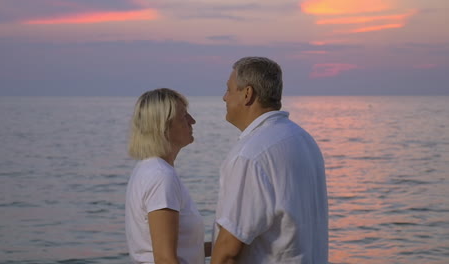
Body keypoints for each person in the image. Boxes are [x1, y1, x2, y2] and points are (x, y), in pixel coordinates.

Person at [211, 57, 329, 264]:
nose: (224, 98)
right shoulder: (302, 139)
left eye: (229, 90)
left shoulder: (250, 155)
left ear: (247, 94)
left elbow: (228, 251)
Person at [125, 88, 208, 264]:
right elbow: (165, 259)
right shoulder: (160, 176)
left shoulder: (149, 169)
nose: (192, 121)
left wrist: (232, 245)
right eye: (183, 116)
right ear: (163, 126)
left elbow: (184, 249)